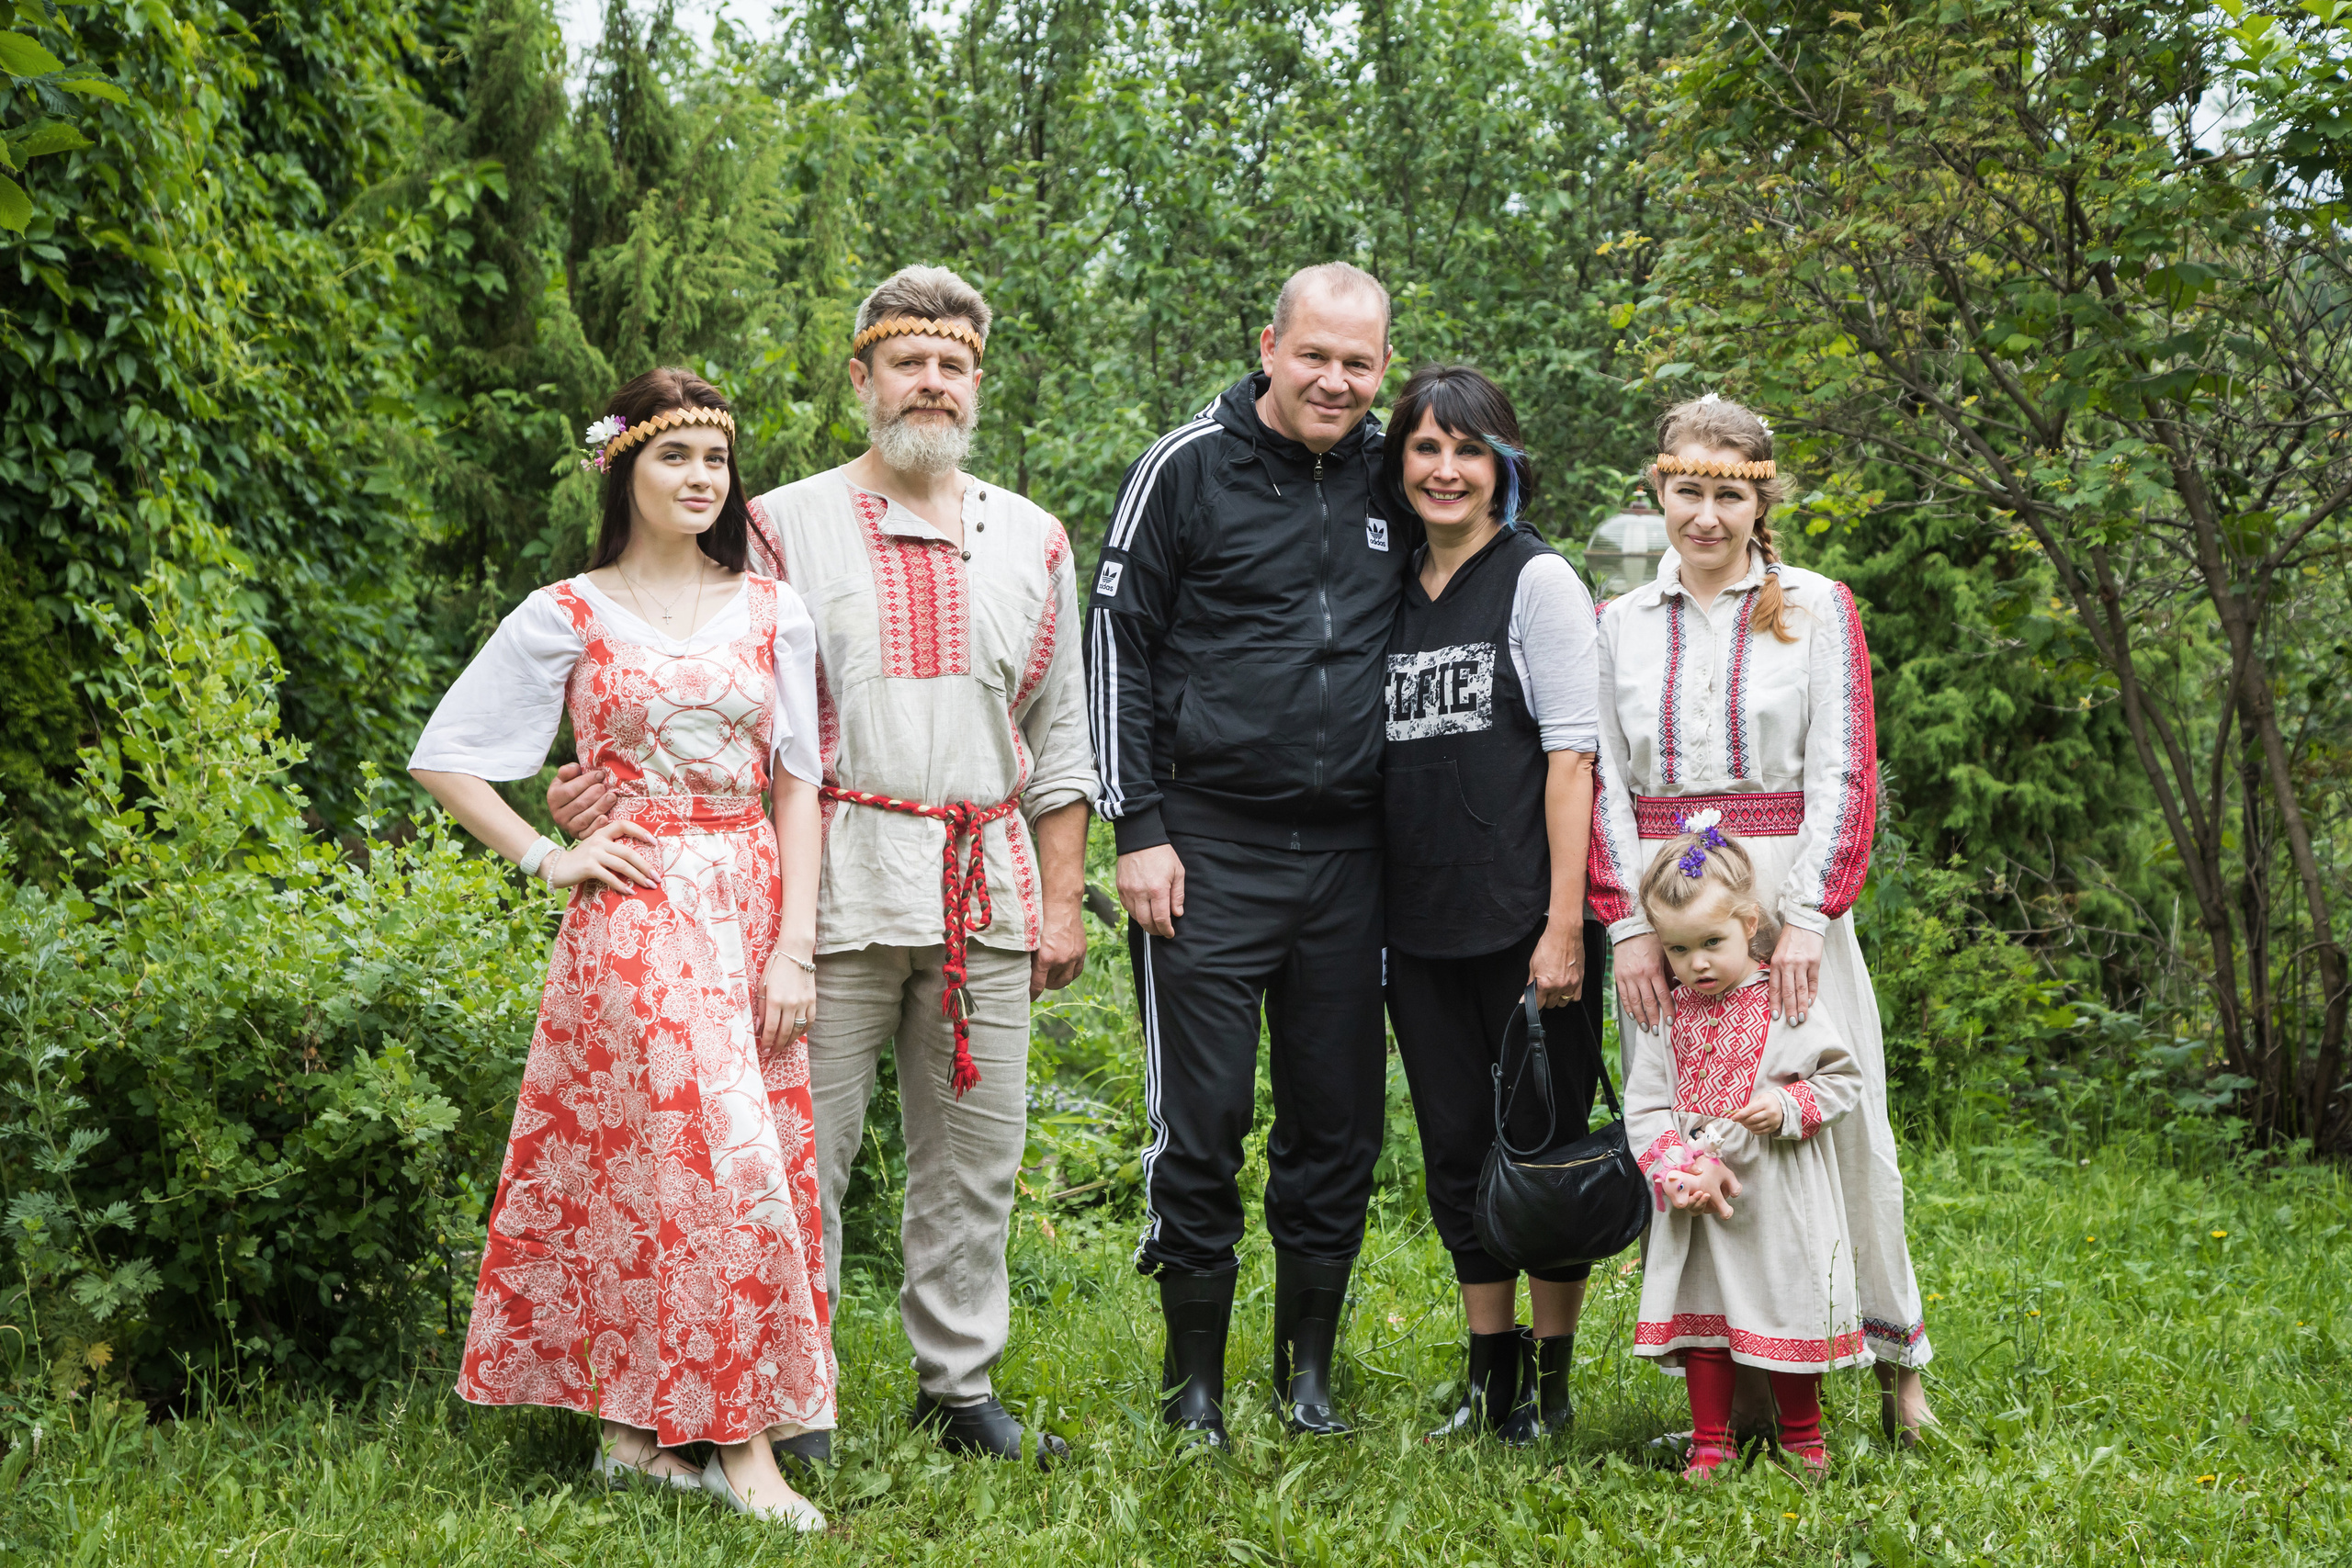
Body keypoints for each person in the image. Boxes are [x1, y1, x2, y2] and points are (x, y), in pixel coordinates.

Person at [550, 267, 1091, 1468]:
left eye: (953, 363)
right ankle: (794, 1394)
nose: (932, 382)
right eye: (908, 361)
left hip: (981, 886)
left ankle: (959, 1383)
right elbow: (691, 675)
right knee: (796, 1152)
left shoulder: (1034, 538)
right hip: (826, 886)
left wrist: (1062, 896)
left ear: (977, 380)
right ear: (862, 375)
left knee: (976, 1151)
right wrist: (599, 783)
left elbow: (1062, 737)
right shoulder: (778, 523)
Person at [411, 367, 831, 1531]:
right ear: (623, 469)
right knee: (718, 1157)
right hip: (636, 906)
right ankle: (745, 1451)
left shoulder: (773, 610)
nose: (701, 480)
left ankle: (635, 1439)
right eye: (674, 458)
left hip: (750, 895)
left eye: (716, 460)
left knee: (687, 1169)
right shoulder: (569, 611)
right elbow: (449, 755)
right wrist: (549, 858)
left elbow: (798, 780)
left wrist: (794, 942)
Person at [1085, 262, 1418, 1446]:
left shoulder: (1398, 471)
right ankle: (1194, 1392)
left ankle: (1308, 1375)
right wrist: (1138, 828)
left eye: (1359, 362)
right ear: (1269, 345)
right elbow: (1116, 641)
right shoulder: (1185, 467)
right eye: (1315, 355)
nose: (1335, 381)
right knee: (1205, 1120)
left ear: (1383, 367)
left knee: (1338, 1124)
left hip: (1353, 858)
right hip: (1205, 848)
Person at [1588, 392, 1935, 1445]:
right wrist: (1627, 927)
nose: (1705, 515)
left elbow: (1842, 768)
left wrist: (1809, 916)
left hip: (1785, 896)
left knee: (1832, 1120)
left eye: (1728, 494)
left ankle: (1888, 1366)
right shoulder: (1618, 624)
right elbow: (1601, 775)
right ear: (1658, 486)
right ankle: (1736, 1376)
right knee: (1697, 1113)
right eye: (1686, 490)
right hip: (1671, 901)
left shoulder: (1816, 606)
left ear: (1760, 497)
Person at [1373, 364, 1604, 1443]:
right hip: (1416, 929)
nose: (1446, 469)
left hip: (1526, 925)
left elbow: (1570, 760)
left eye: (1468, 450)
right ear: (1401, 463)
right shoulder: (1389, 590)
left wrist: (1563, 927)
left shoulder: (1536, 580)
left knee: (1546, 1150)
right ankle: (1487, 1379)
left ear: (1501, 462)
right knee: (1457, 1151)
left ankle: (1551, 1391)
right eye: (1426, 447)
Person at [1625, 821, 1867, 1480]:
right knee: (1705, 1320)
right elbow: (1644, 1105)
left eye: (1711, 942)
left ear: (1748, 921)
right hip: (1698, 1205)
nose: (1696, 963)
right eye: (1676, 949)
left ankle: (1803, 1438)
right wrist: (1675, 1169)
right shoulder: (1668, 1016)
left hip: (1775, 1192)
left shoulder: (1783, 1002)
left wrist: (1788, 1107)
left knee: (1787, 1305)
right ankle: (1711, 1440)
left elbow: (1842, 1077)